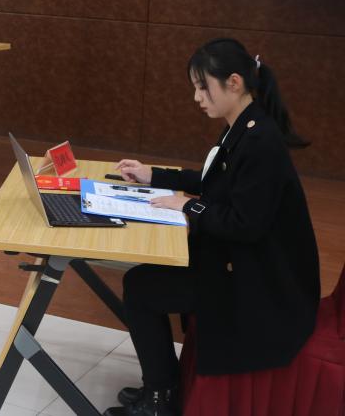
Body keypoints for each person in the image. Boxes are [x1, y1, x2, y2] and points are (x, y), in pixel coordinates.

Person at [103, 38, 320, 416]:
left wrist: (189, 206)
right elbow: (212, 180)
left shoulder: (260, 141)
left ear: (234, 82)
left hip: (260, 284)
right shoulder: (245, 127)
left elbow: (244, 225)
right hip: (241, 264)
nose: (197, 97)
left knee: (141, 287)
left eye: (203, 87)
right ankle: (161, 389)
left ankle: (160, 400)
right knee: (141, 282)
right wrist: (155, 175)